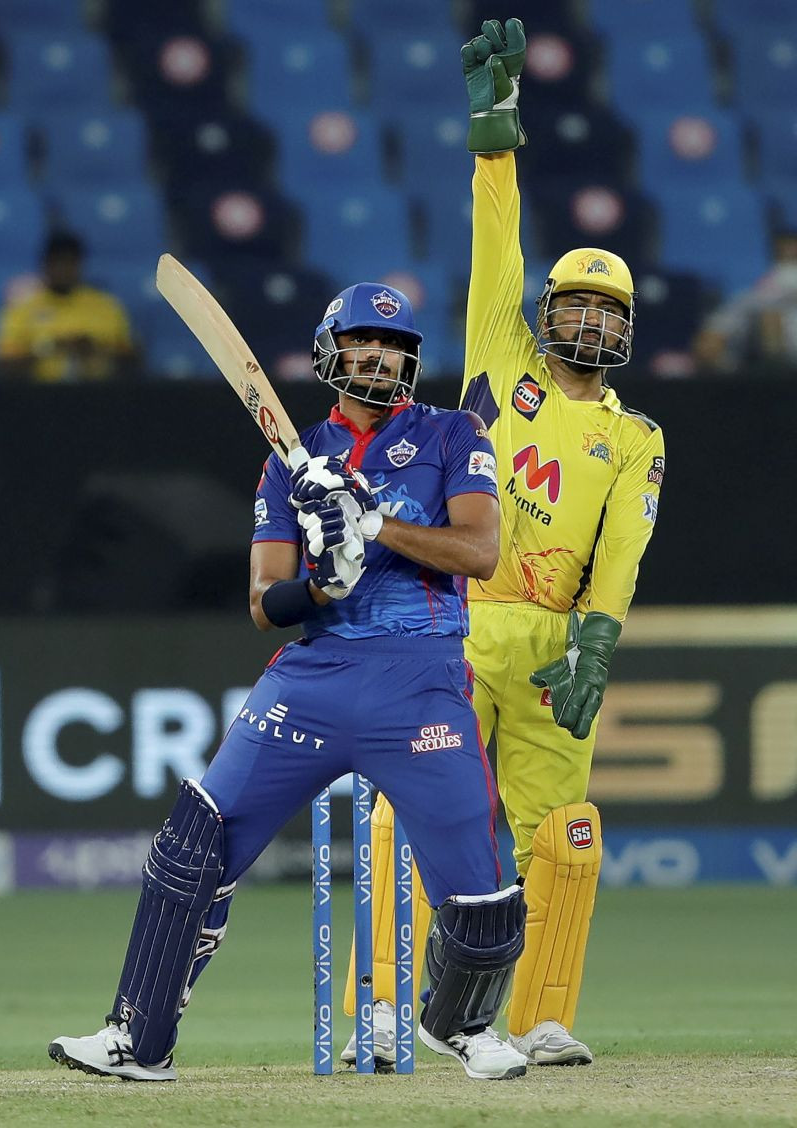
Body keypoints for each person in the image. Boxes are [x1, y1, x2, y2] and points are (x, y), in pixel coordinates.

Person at [47, 280, 530, 1083]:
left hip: (422, 679)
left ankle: (467, 1027)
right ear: (330, 355)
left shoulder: (453, 434)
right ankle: (139, 1039)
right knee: (194, 847)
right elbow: (263, 606)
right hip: (312, 678)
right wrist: (325, 583)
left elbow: (480, 552)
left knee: (476, 883)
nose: (381, 358)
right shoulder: (289, 465)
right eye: (364, 344)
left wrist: (373, 523)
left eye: (397, 347)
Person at [339, 18, 665, 1070]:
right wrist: (494, 137)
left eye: (608, 312)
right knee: (416, 811)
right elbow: (497, 237)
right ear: (544, 310)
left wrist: (598, 644)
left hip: (552, 640)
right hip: (451, 619)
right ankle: (383, 1011)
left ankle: (527, 1016)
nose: (591, 324)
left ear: (626, 332)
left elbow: (619, 551)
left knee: (555, 829)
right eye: (574, 303)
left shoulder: (634, 436)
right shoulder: (496, 353)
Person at [0, 231, 133, 382]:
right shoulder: (22, 309)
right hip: (39, 396)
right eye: (57, 262)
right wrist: (49, 348)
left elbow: (131, 358)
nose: (63, 269)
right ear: (45, 265)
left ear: (80, 264)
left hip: (98, 393)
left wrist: (96, 349)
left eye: (70, 262)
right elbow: (6, 363)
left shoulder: (106, 306)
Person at [692, 229, 797, 375]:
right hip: (763, 380)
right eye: (783, 256)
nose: (789, 268)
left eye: (794, 258)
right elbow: (708, 344)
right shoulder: (752, 300)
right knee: (769, 321)